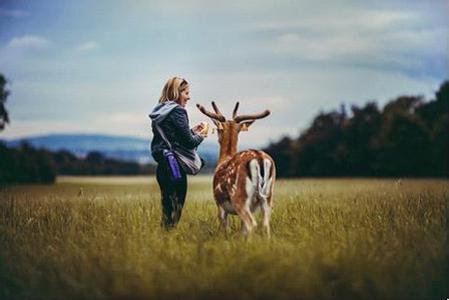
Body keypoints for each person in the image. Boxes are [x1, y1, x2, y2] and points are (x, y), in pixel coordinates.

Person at [149, 77, 207, 229]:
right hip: (175, 167)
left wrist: (191, 131)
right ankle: (168, 241)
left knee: (166, 209)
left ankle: (163, 241)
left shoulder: (160, 110)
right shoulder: (178, 111)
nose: (188, 97)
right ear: (177, 92)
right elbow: (189, 143)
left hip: (162, 165)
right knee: (176, 210)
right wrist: (202, 135)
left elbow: (171, 137)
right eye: (186, 93)